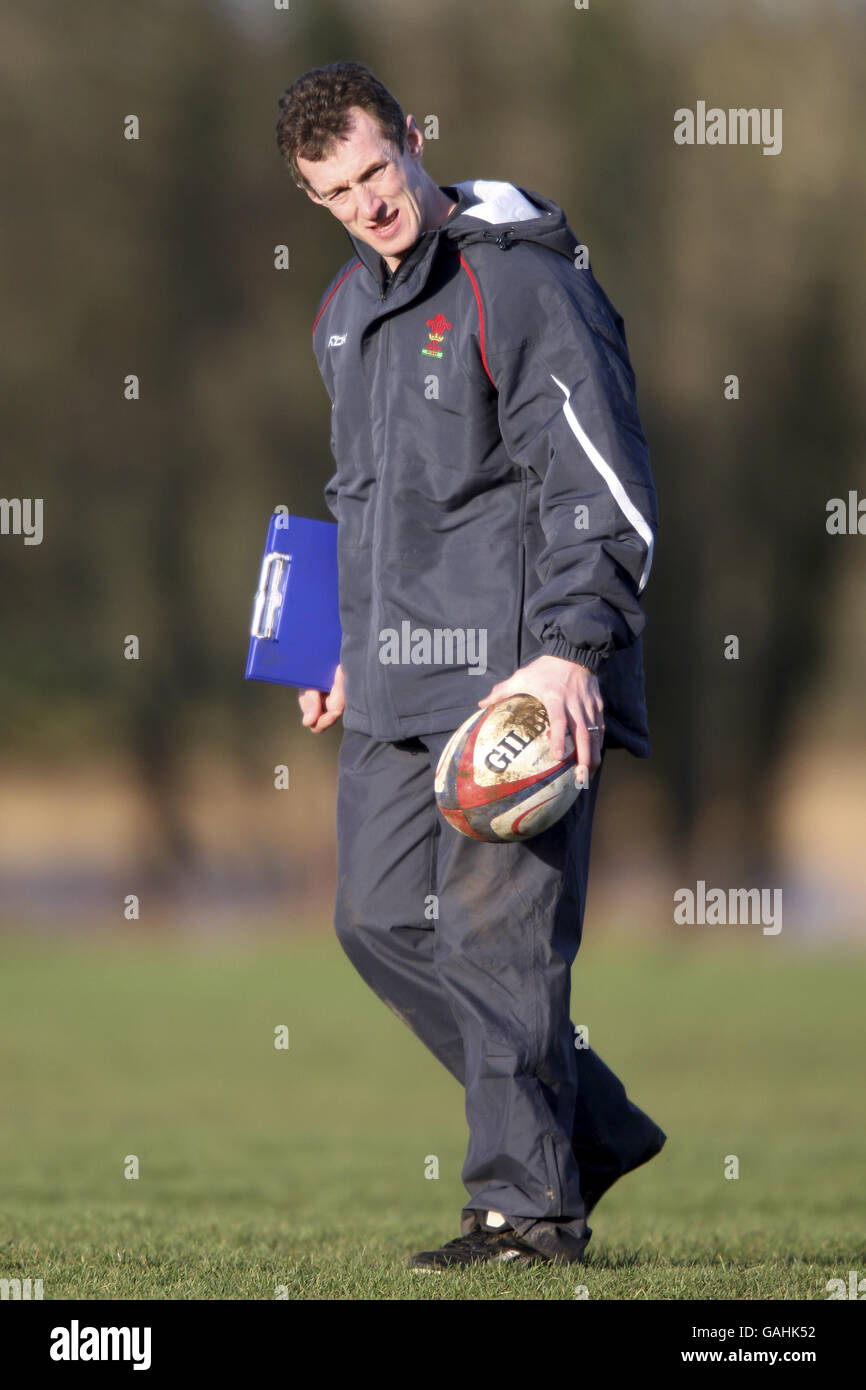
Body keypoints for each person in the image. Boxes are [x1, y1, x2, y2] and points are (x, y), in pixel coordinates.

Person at [275, 61, 666, 1270]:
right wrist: (334, 640)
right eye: (334, 193)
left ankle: (524, 1213)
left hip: (513, 686)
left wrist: (566, 656)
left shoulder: (524, 283)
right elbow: (361, 496)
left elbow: (597, 487)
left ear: (416, 140)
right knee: (377, 919)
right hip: (391, 686)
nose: (366, 207)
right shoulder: (342, 310)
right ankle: (578, 1129)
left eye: (376, 173)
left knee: (497, 950)